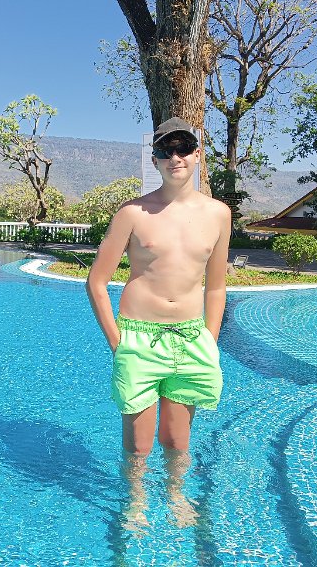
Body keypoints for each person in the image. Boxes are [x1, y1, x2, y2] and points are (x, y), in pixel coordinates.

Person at [85, 117, 231, 531]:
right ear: (155, 159)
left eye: (183, 148)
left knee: (177, 438)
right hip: (139, 336)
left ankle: (175, 494)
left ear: (197, 154)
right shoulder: (133, 212)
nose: (175, 157)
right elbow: (96, 282)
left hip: (191, 337)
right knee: (139, 442)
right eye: (166, 150)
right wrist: (118, 343)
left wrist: (209, 339)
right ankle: (136, 499)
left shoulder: (218, 214)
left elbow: (216, 287)